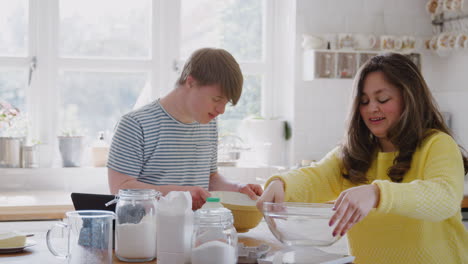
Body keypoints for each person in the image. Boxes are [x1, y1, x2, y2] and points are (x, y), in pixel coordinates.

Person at [257, 53, 468, 263]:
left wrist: (376, 193)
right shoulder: (353, 155)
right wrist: (281, 185)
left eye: (382, 99)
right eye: (364, 101)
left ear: (409, 97)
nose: (371, 108)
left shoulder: (437, 144)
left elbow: (444, 198)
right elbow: (315, 177)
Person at [108, 47, 263, 210]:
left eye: (226, 102)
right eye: (216, 99)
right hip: (145, 231)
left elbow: (209, 178)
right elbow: (120, 189)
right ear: (191, 82)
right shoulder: (135, 125)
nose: (221, 110)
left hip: (196, 231)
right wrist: (180, 195)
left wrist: (237, 188)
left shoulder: (208, 123)